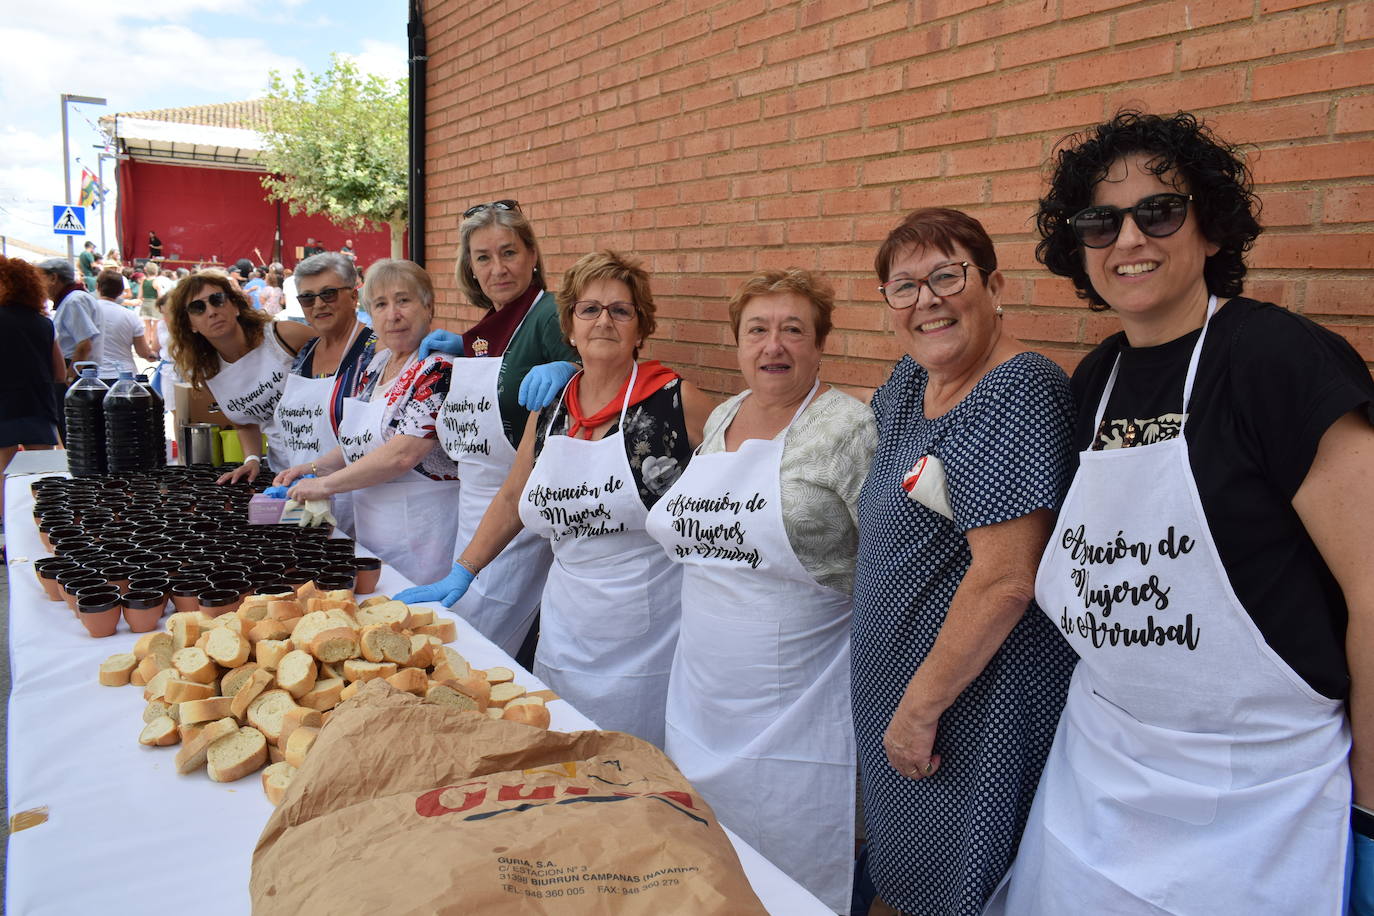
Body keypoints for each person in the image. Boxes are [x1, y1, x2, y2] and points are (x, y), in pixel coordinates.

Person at [987, 111, 1374, 915]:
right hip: (1099, 778)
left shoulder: (1278, 361)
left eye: (1158, 211)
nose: (1128, 239)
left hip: (1259, 800)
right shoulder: (1096, 382)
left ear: (1209, 230)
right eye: (1100, 221)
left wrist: (1370, 813)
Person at [851, 208, 1077, 916]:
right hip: (908, 695)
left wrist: (918, 711)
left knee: (950, 891)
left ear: (995, 284)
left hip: (968, 709)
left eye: (947, 276)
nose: (927, 300)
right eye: (904, 286)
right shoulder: (908, 386)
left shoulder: (1017, 390)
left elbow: (1008, 580)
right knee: (902, 876)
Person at [404, 250, 712, 746]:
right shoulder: (550, 408)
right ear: (569, 326)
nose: (603, 321)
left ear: (640, 327)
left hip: (647, 637)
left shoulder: (679, 402)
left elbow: (730, 488)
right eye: (589, 309)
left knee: (629, 770)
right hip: (565, 627)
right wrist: (464, 569)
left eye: (620, 310)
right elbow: (511, 498)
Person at [643, 268, 876, 912]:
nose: (774, 346)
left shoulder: (849, 430)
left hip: (799, 704)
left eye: (793, 330)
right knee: (709, 862)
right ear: (738, 344)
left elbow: (883, 567)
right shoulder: (722, 415)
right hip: (701, 695)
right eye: (758, 331)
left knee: (792, 873)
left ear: (820, 344)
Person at [397, 199, 579, 656]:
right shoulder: (488, 327)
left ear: (532, 255)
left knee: (472, 646)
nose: (498, 267)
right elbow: (501, 362)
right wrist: (460, 346)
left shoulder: (550, 314)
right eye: (484, 257)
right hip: (472, 503)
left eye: (509, 252)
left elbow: (600, 374)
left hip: (518, 512)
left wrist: (569, 368)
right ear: (471, 268)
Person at [273, 259, 463, 587]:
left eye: (404, 300)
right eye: (381, 304)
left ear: (428, 306)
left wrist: (324, 485)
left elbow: (402, 455)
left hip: (423, 538)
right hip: (373, 531)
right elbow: (356, 445)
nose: (393, 314)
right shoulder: (376, 364)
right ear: (371, 315)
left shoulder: (438, 370)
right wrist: (312, 468)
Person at [165, 269, 316, 480]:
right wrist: (252, 459)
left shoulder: (283, 337)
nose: (211, 311)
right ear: (191, 325)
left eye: (217, 300)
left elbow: (347, 360)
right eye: (197, 308)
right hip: (283, 472)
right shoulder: (208, 372)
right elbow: (245, 423)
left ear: (235, 305)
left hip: (332, 464)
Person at [265, 252, 377, 535]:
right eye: (307, 298)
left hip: (358, 506)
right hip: (303, 506)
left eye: (328, 294)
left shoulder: (375, 351)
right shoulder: (305, 352)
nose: (318, 304)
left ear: (354, 296)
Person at [0, 256, 63, 518]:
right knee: (42, 476)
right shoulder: (43, 323)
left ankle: (7, 534)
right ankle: (46, 524)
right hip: (39, 405)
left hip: (3, 406)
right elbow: (59, 373)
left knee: (4, 476)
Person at [37, 258, 100, 379]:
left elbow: (84, 345)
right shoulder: (72, 299)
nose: (37, 284)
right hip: (78, 368)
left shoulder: (74, 300)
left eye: (39, 278)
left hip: (77, 370)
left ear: (53, 278)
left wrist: (69, 377)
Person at [92, 269, 154, 380]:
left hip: (93, 375)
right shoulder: (130, 316)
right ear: (121, 291)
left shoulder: (88, 312)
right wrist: (153, 354)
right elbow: (143, 352)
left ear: (97, 287)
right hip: (125, 374)